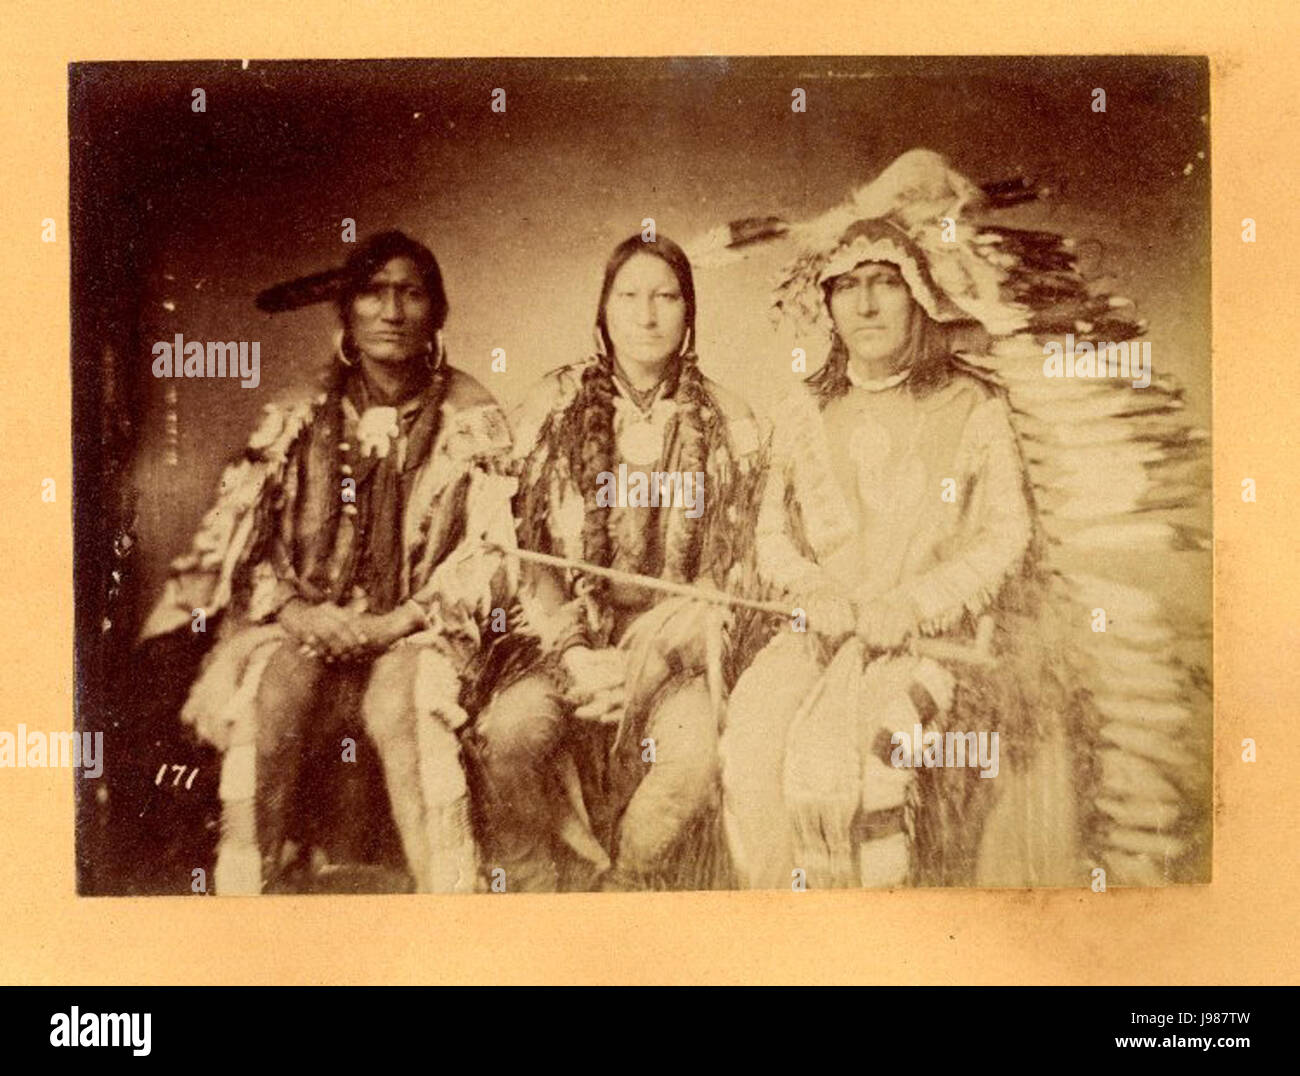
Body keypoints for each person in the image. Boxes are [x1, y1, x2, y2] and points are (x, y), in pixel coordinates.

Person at [140, 230, 519, 894]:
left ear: (436, 311)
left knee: (411, 712)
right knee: (270, 698)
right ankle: (242, 907)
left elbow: (491, 552)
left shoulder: (470, 415)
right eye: (374, 293)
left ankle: (454, 914)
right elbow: (242, 544)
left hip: (421, 633)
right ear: (347, 312)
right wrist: (297, 610)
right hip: (304, 625)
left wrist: (396, 621)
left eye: (411, 293)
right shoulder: (297, 414)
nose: (393, 312)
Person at [720, 173, 1057, 889]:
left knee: (865, 765)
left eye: (885, 282)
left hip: (934, 641)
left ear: (919, 295)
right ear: (827, 303)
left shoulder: (973, 402)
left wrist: (913, 604)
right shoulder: (803, 410)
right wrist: (814, 590)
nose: (865, 302)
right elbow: (771, 536)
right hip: (820, 632)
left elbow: (1006, 533)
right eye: (847, 284)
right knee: (751, 744)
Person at [471, 233, 766, 891]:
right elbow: (526, 553)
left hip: (679, 658)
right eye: (628, 296)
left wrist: (655, 657)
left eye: (667, 297)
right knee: (512, 731)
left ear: (690, 314)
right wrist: (576, 652)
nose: (647, 314)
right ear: (602, 310)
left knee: (690, 762)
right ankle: (530, 883)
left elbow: (737, 569)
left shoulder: (730, 420)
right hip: (562, 646)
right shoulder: (553, 408)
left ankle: (626, 887)